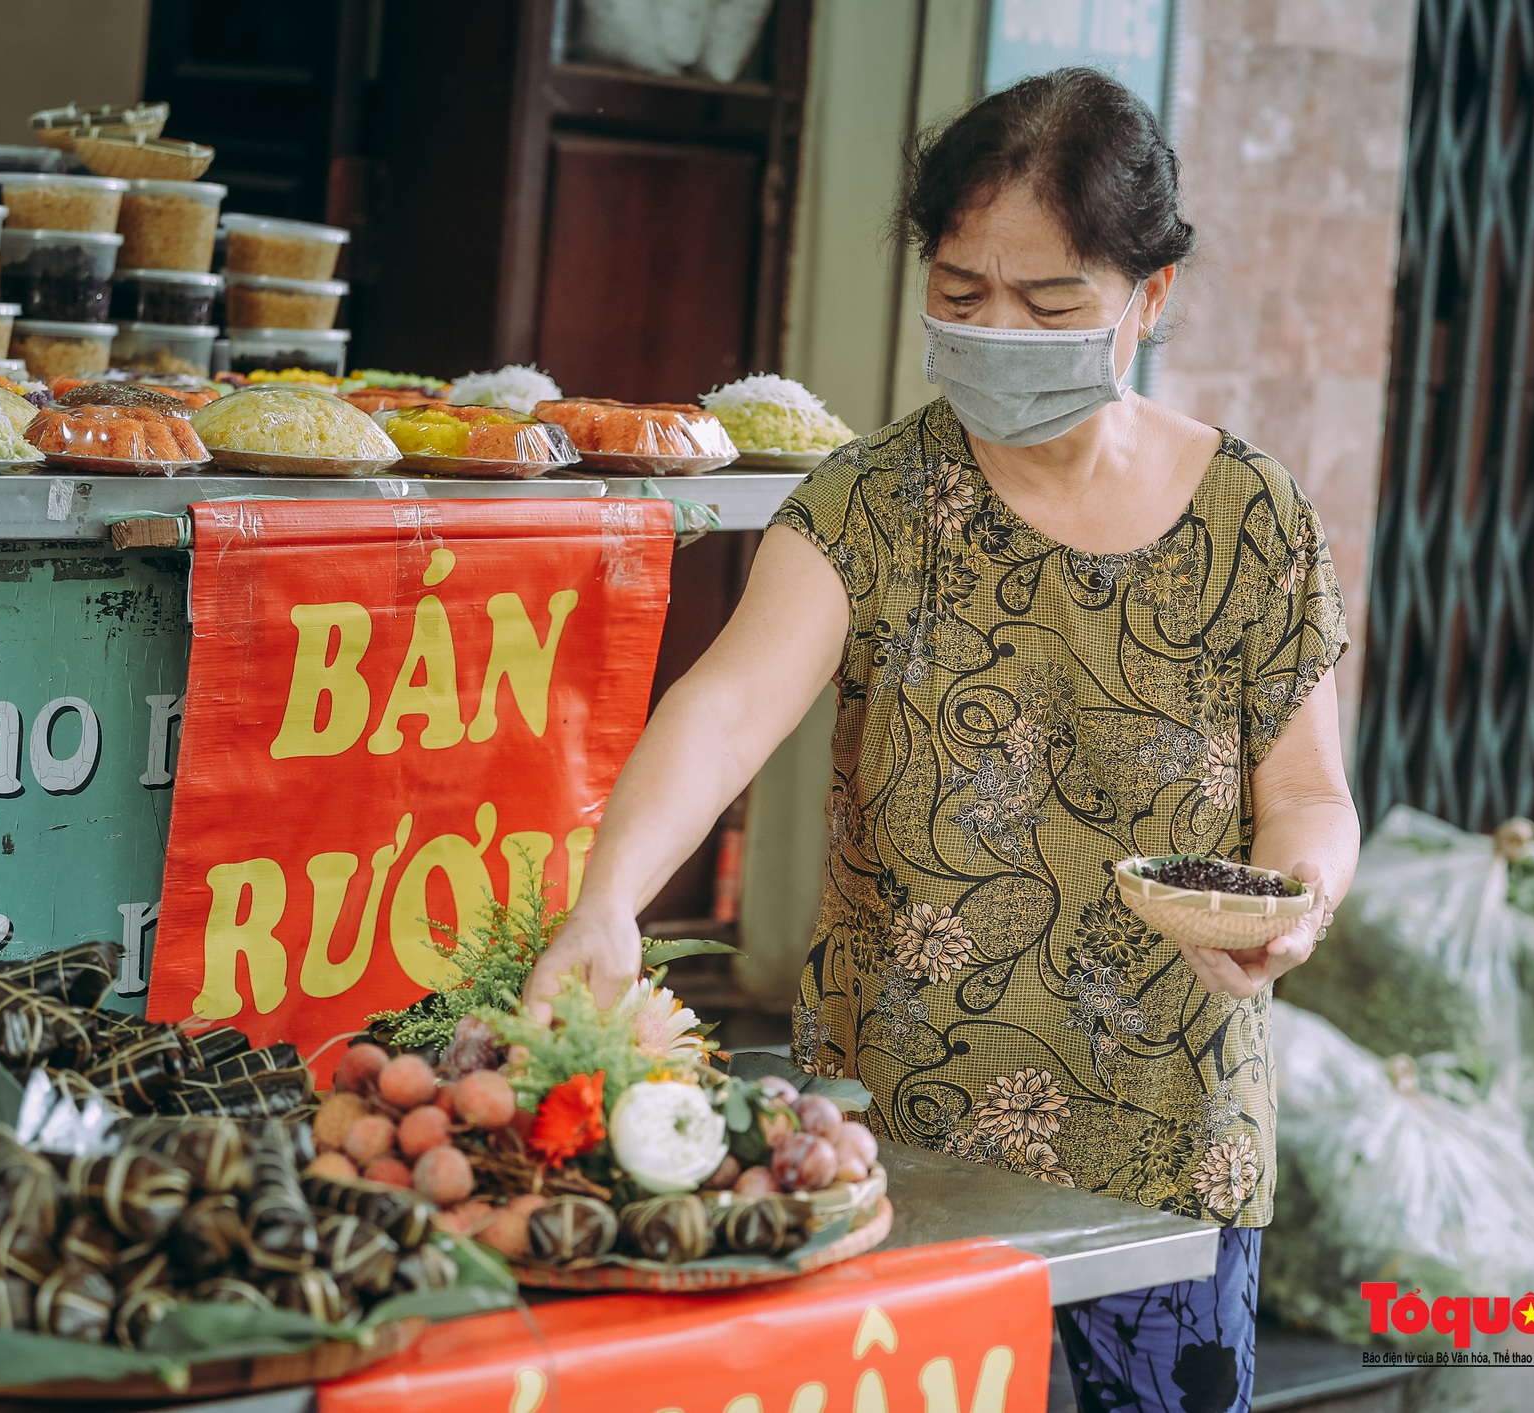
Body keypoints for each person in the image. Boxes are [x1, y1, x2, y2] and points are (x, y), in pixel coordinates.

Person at [525, 67, 1360, 1413]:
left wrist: (1296, 903)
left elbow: (1310, 792)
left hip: (1170, 1130)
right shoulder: (869, 502)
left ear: (1151, 298)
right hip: (903, 1138)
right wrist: (608, 896)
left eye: (1047, 304)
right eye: (961, 294)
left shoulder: (1254, 519)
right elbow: (728, 704)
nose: (996, 332)